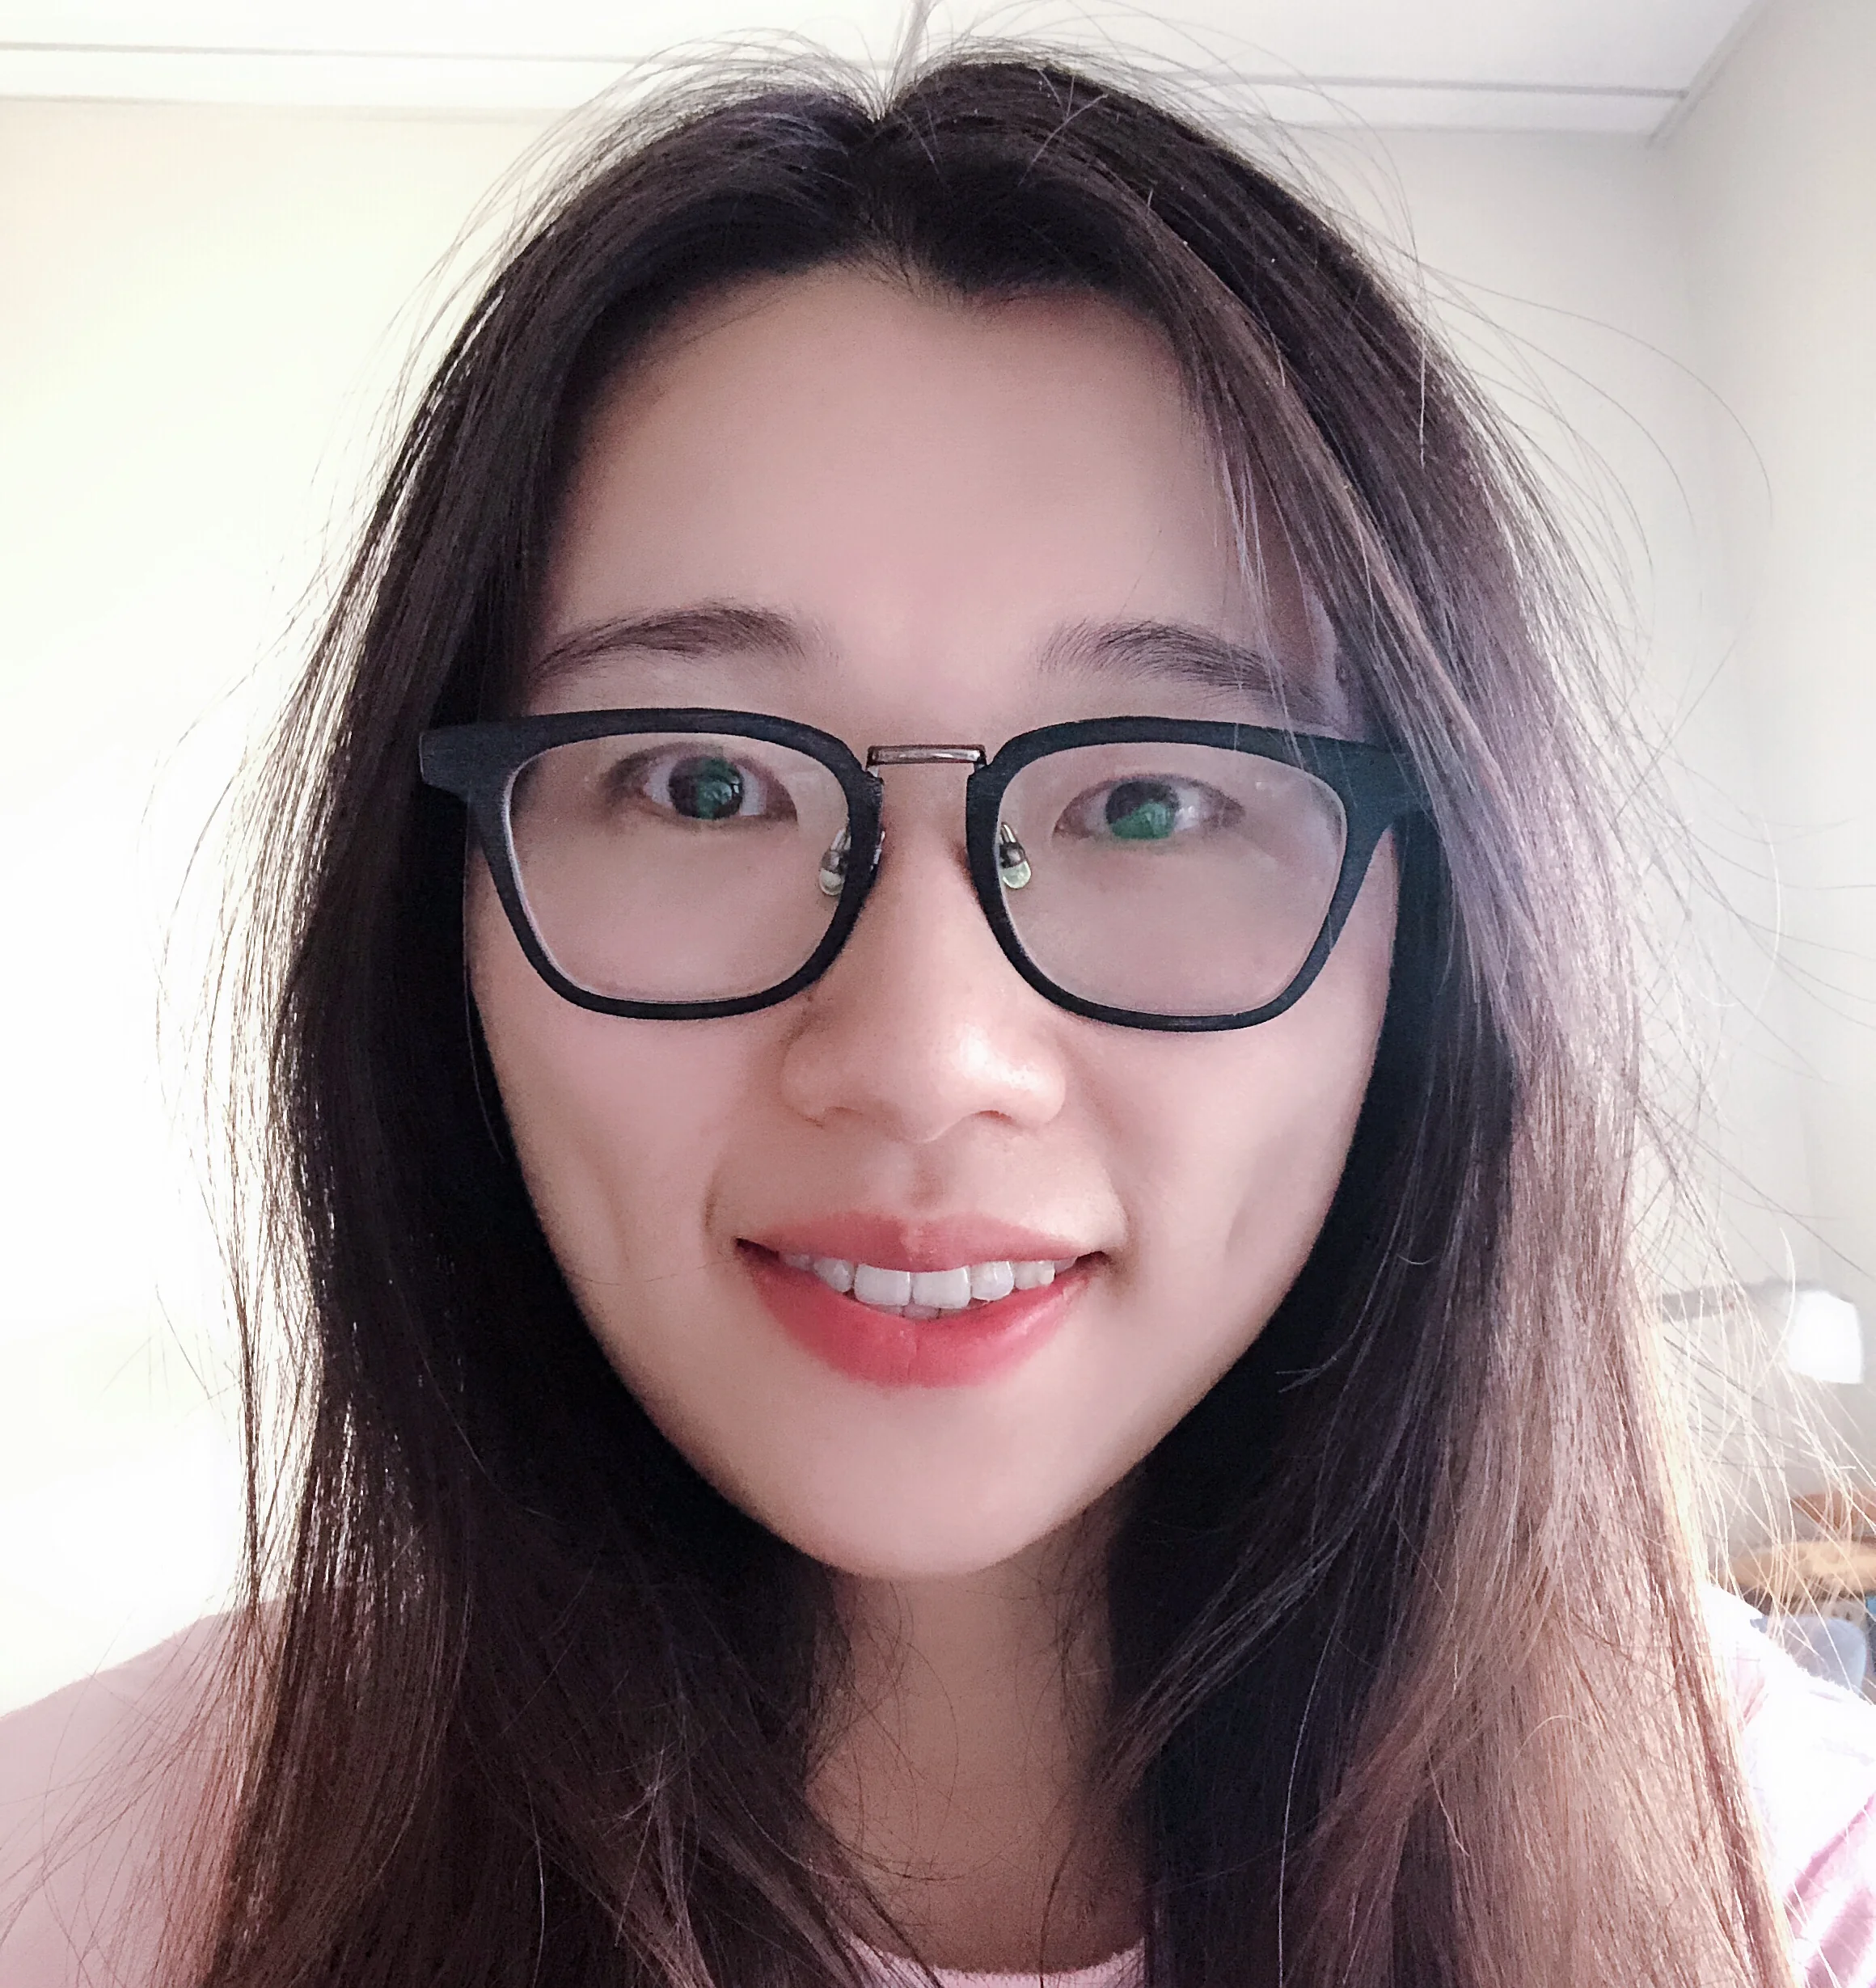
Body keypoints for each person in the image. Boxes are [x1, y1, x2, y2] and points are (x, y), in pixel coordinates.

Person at [3, 47, 1873, 1988]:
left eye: (1148, 800)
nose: (919, 1054)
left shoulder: (1776, 1887)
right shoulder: (90, 1880)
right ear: (435, 916)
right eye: (701, 783)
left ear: (1442, 936)